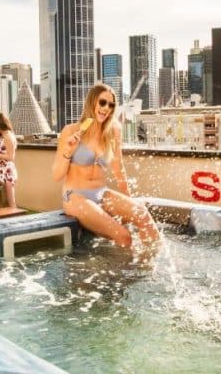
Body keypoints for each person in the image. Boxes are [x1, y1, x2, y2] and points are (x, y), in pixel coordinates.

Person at [53, 82, 160, 259]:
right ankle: (124, 279)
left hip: (101, 193)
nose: (106, 108)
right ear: (92, 102)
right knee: (123, 236)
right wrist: (68, 151)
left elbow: (119, 169)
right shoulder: (71, 130)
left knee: (143, 214)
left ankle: (149, 267)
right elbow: (57, 175)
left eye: (111, 105)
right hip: (74, 195)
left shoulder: (113, 131)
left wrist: (129, 204)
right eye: (102, 102)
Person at [0, 112, 18, 208]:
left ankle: (14, 222)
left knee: (10, 202)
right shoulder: (2, 136)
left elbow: (11, 157)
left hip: (7, 173)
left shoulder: (8, 137)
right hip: (0, 172)